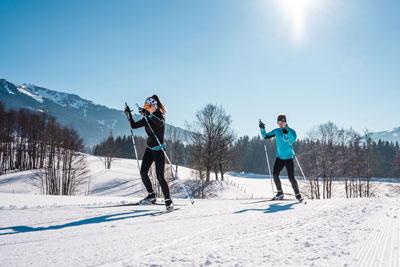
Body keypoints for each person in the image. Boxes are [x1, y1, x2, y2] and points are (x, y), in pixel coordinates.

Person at [125, 95, 173, 211]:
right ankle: (151, 195)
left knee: (160, 176)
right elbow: (134, 125)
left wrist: (148, 115)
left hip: (159, 150)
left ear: (154, 106)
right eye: (145, 106)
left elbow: (160, 124)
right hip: (149, 149)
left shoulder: (160, 115)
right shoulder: (147, 117)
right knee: (143, 172)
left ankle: (168, 201)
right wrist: (129, 115)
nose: (146, 108)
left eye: (148, 106)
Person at [259, 115, 303, 202]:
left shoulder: (291, 131)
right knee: (275, 175)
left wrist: (287, 132)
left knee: (291, 178)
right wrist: (262, 128)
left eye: (282, 123)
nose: (280, 124)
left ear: (285, 122)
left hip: (289, 158)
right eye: (279, 123)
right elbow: (265, 136)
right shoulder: (276, 131)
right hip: (279, 157)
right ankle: (280, 193)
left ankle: (298, 195)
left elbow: (293, 139)